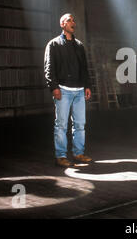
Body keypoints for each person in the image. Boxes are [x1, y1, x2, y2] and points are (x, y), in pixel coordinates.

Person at [44, 13, 92, 167]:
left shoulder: (79, 45)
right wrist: (54, 87)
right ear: (62, 24)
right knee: (61, 125)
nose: (73, 22)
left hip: (79, 90)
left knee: (80, 125)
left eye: (73, 20)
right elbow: (49, 67)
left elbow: (84, 68)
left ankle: (78, 153)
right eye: (69, 20)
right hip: (63, 90)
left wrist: (87, 86)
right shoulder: (54, 44)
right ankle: (61, 156)